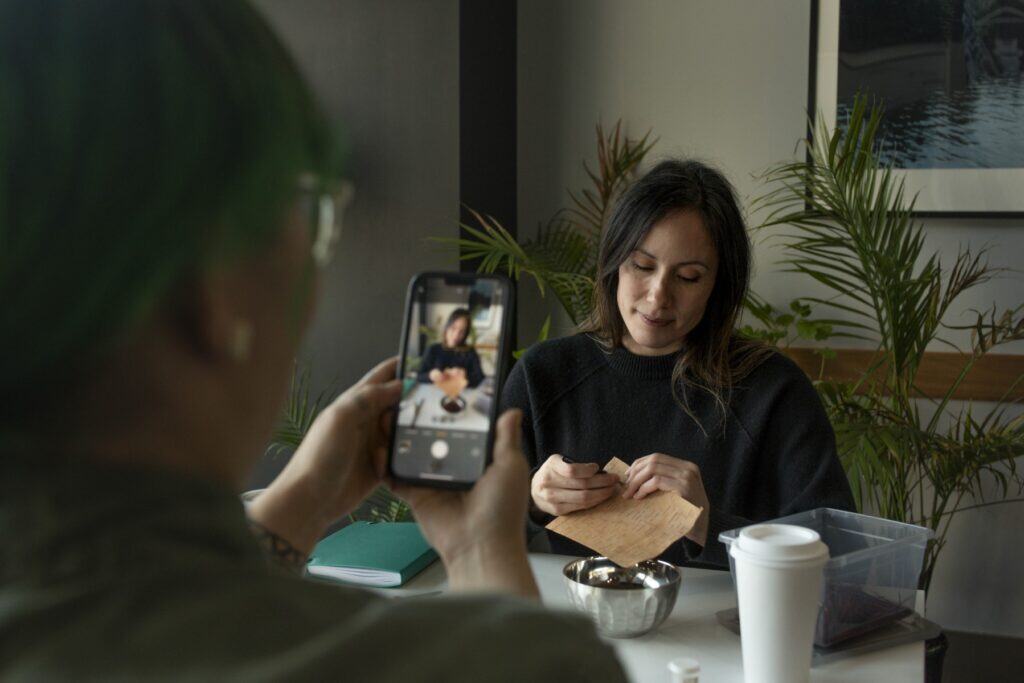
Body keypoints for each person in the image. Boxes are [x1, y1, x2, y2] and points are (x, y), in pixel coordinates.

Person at [0, 2, 625, 681]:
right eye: (311, 210)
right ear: (218, 285)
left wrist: (300, 500)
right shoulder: (501, 664)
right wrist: (479, 551)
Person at [501, 159, 856, 568]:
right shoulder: (542, 375)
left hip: (728, 627)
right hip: (575, 624)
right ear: (614, 263)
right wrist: (530, 498)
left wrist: (708, 522)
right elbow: (470, 529)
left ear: (718, 286)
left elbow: (836, 553)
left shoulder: (773, 391)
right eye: (642, 266)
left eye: (688, 277)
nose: (658, 297)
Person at [417, 308, 485, 388]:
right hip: (435, 393)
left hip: (461, 395)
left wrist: (465, 376)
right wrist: (430, 375)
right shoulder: (433, 349)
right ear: (447, 327)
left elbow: (480, 379)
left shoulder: (470, 352)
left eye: (462, 331)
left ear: (466, 334)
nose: (456, 335)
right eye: (453, 328)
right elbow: (419, 376)